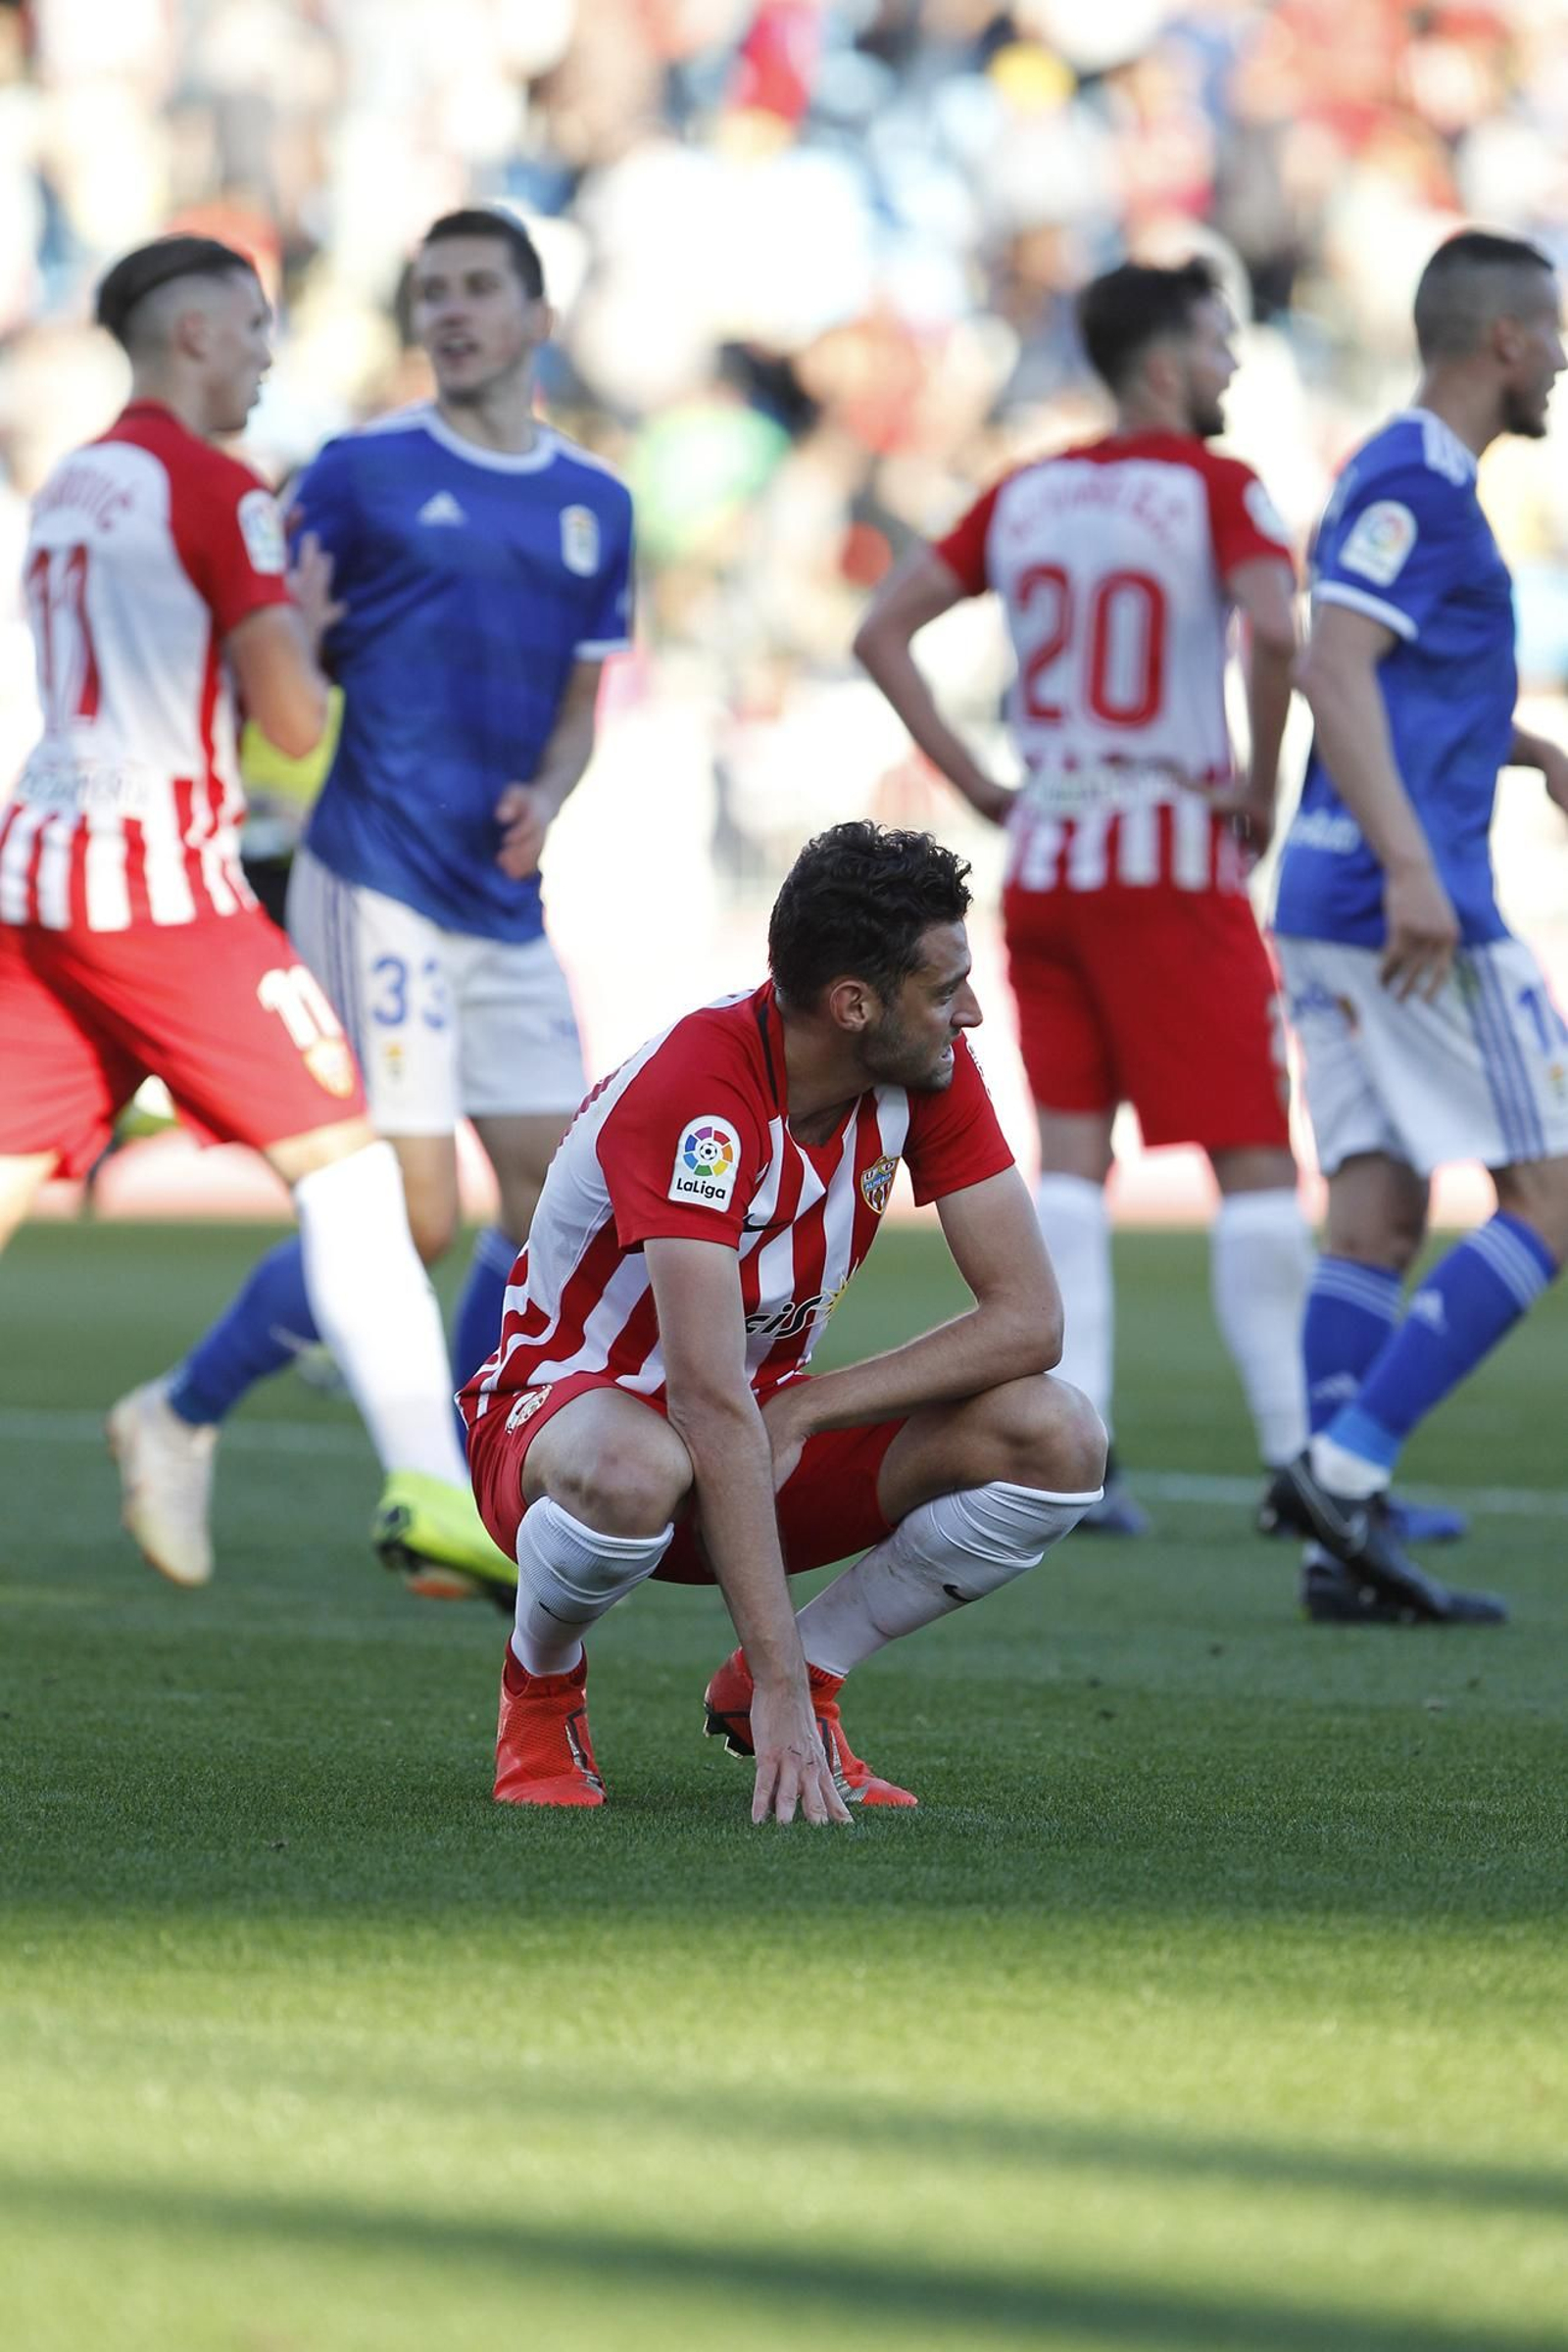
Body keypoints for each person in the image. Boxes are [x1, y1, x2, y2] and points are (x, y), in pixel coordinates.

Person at [126, 207, 633, 1597]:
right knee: (406, 1209)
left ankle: (461, 1476)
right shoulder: (359, 472)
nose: (453, 312)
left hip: (503, 891)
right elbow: (270, 632)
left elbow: (584, 708)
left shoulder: (599, 501)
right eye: (433, 293)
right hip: (378, 875)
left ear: (537, 318)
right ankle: (179, 1410)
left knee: (557, 1199)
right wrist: (306, 647)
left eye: (480, 289)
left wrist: (555, 792)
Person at [0, 233, 514, 1594]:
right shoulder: (217, 490)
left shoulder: (71, 480)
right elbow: (288, 717)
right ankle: (428, 1481)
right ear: (193, 336)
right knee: (357, 1178)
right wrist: (308, 618)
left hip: (38, 856)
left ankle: (172, 1425)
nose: (269, 352)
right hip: (158, 879)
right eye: (252, 325)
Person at [459, 823, 1107, 1822]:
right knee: (638, 1466)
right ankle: (540, 1688)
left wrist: (806, 1410)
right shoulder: (699, 1098)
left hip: (754, 1440)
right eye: (944, 990)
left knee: (1056, 1434)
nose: (969, 1013)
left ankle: (816, 1671)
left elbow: (1028, 1320)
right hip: (566, 1434)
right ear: (854, 1005)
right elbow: (705, 1399)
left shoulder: (926, 1068)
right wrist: (775, 1675)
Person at [853, 258, 1319, 1537]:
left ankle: (1087, 1438)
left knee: (1069, 1149)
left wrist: (983, 784)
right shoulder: (1216, 486)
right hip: (1170, 851)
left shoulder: (1026, 491)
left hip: (1050, 854)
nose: (1231, 366)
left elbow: (881, 631)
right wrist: (1262, 781)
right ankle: (1302, 1461)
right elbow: (1280, 630)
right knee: (1254, 1155)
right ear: (1164, 364)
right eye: (1220, 344)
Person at [1262, 227, 1568, 1625]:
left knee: (1377, 1206)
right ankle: (1342, 1463)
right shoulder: (1415, 481)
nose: (1563, 356)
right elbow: (1330, 663)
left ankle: (1344, 1546)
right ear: (1504, 341)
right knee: (1552, 1193)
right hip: (1409, 899)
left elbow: (1399, 685)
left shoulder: (1404, 477)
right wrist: (1410, 865)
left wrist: (1527, 749)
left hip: (1334, 896)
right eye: (1553, 331)